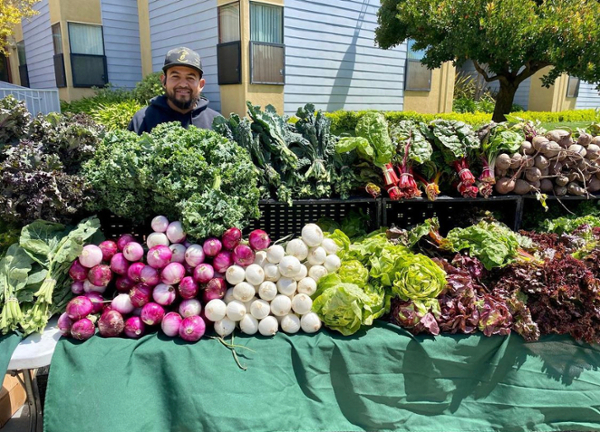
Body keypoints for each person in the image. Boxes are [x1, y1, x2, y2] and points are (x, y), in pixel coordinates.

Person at [128, 47, 221, 134]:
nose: (183, 84)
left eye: (190, 78)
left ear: (201, 84)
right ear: (164, 81)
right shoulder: (142, 120)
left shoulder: (216, 122)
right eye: (175, 77)